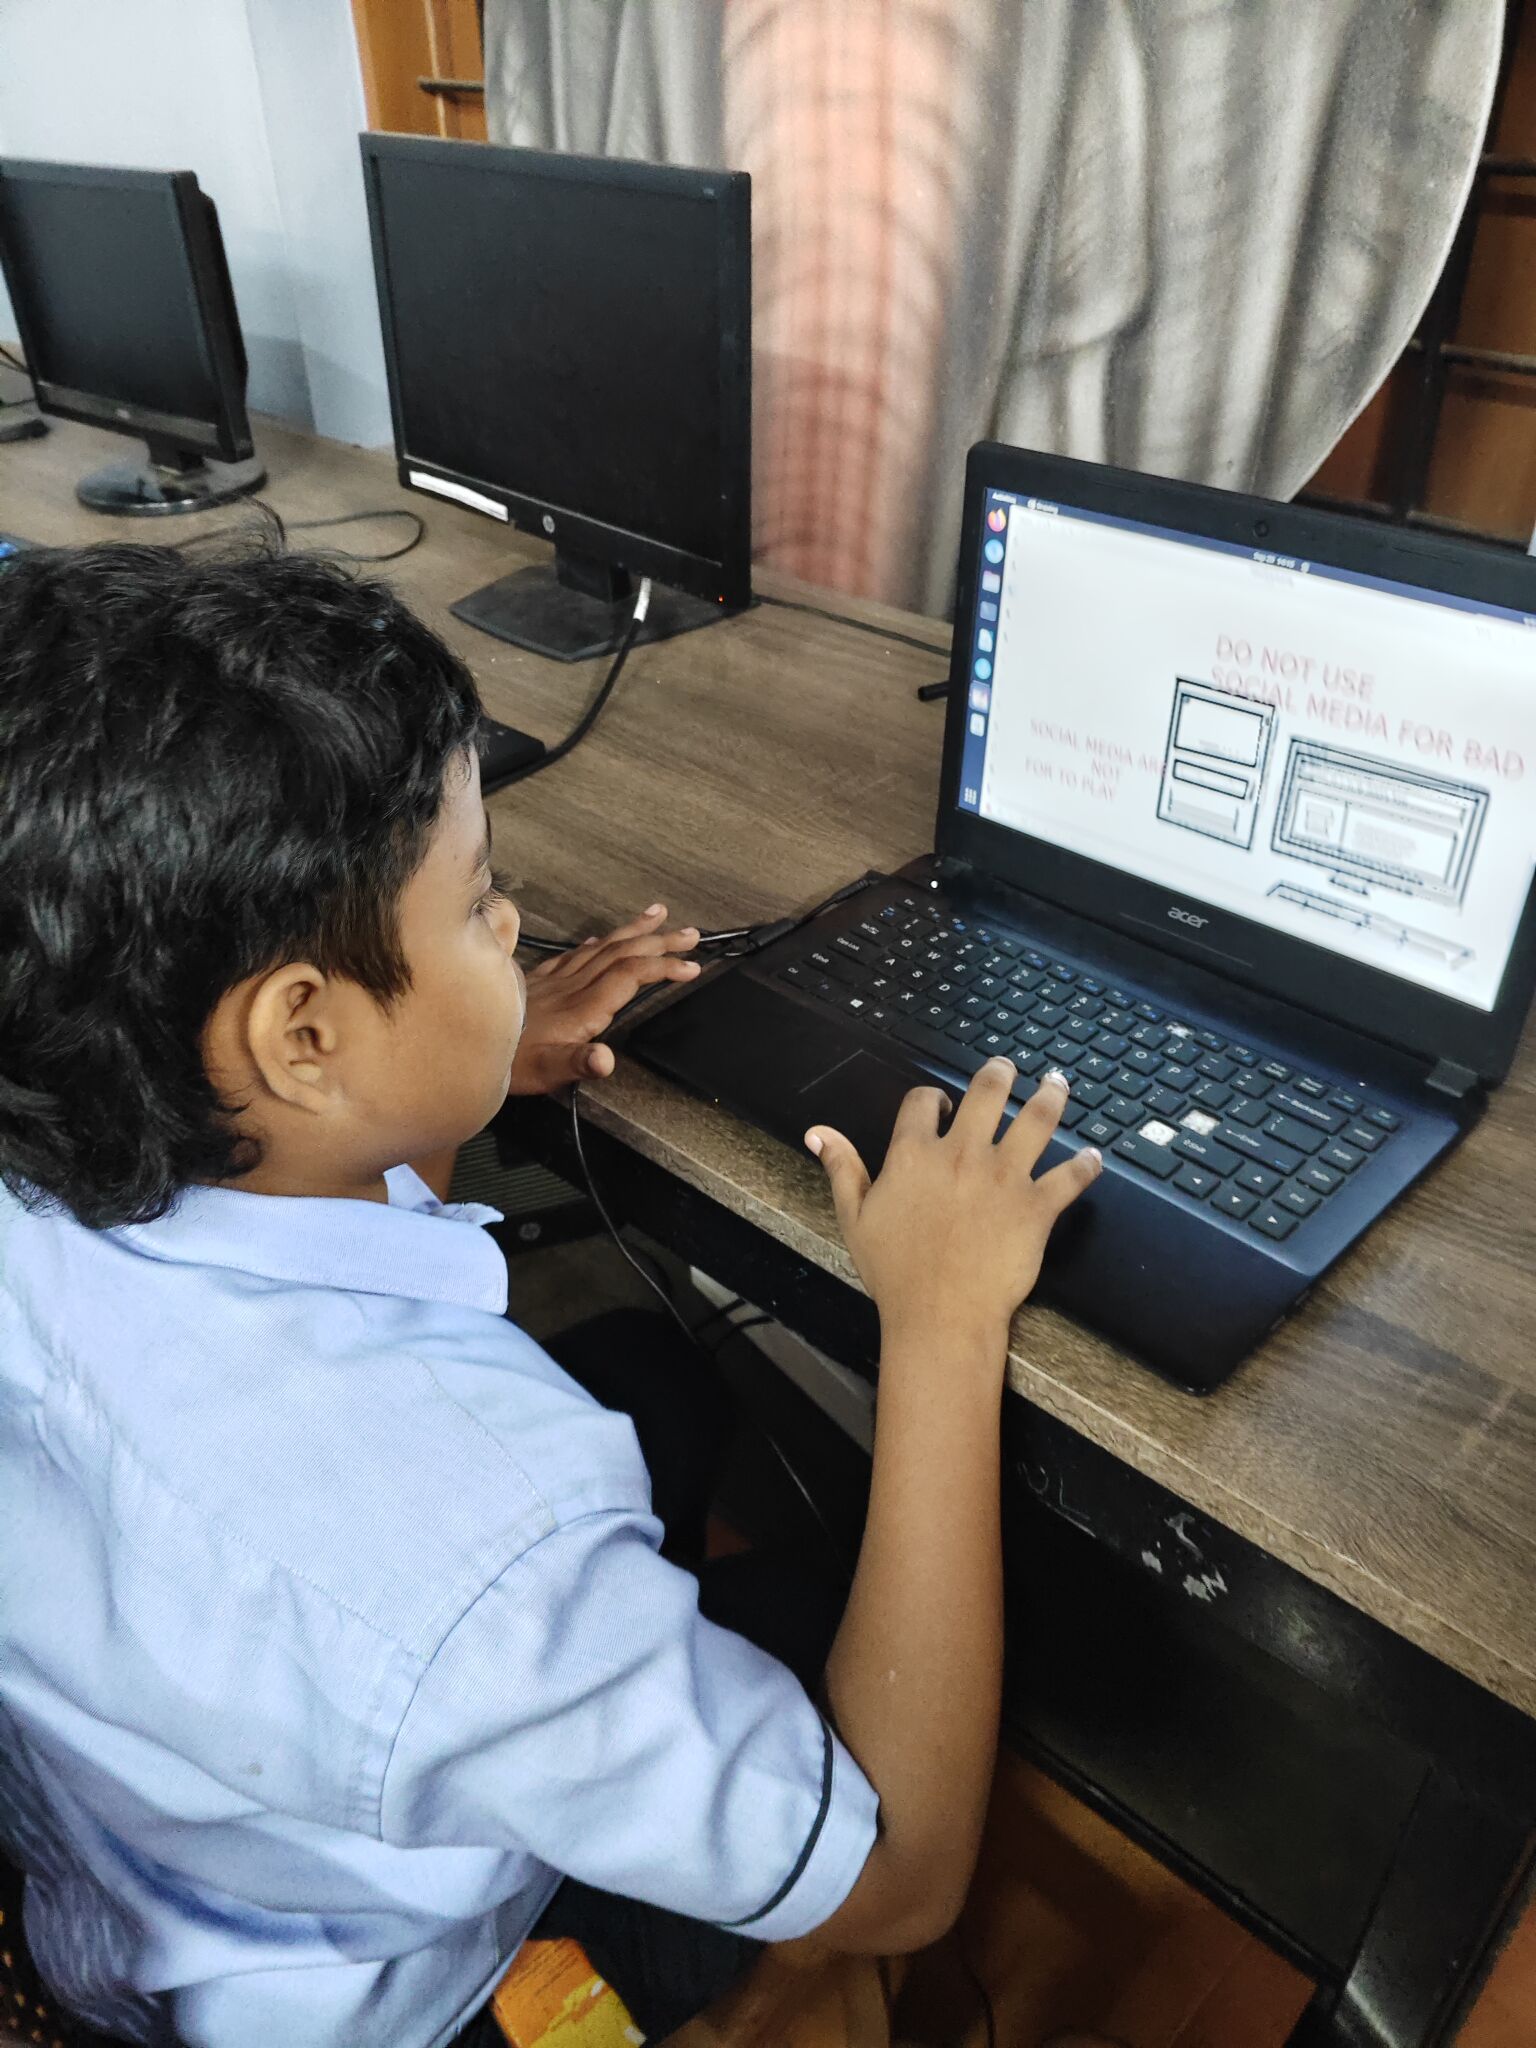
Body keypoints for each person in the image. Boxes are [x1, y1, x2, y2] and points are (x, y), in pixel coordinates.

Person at [0, 543, 1102, 2048]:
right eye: (479, 903)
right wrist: (944, 1320)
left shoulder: (55, 1138)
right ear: (301, 1038)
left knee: (655, 1375)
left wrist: (429, 1076)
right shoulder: (477, 1550)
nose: (514, 930)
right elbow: (899, 1878)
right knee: (811, 1605)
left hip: (152, 1866)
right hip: (413, 1994)